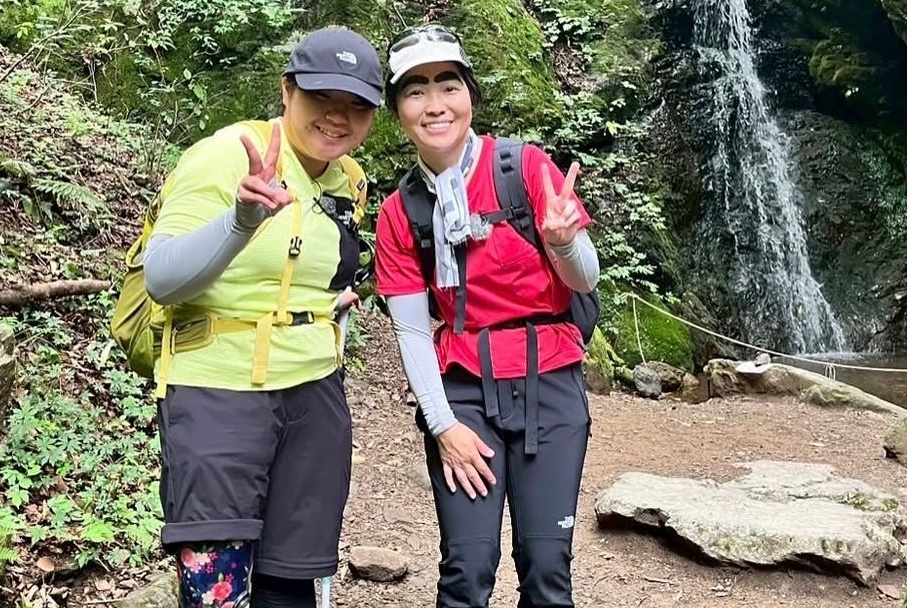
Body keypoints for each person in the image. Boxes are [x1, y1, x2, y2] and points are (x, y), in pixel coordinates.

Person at [140, 26, 381, 608]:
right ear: (287, 90)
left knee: (293, 584)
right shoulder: (226, 154)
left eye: (356, 106)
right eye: (322, 98)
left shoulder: (348, 180)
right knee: (215, 588)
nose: (337, 117)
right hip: (217, 389)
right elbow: (163, 278)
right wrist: (241, 221)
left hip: (314, 394)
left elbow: (321, 272)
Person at [374, 23, 600, 608]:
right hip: (463, 391)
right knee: (466, 570)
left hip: (548, 380)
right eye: (415, 91)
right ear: (397, 109)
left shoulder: (520, 167)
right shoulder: (401, 213)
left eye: (447, 85)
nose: (434, 104)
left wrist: (562, 242)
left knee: (548, 568)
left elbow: (584, 278)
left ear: (469, 94)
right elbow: (411, 328)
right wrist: (443, 425)